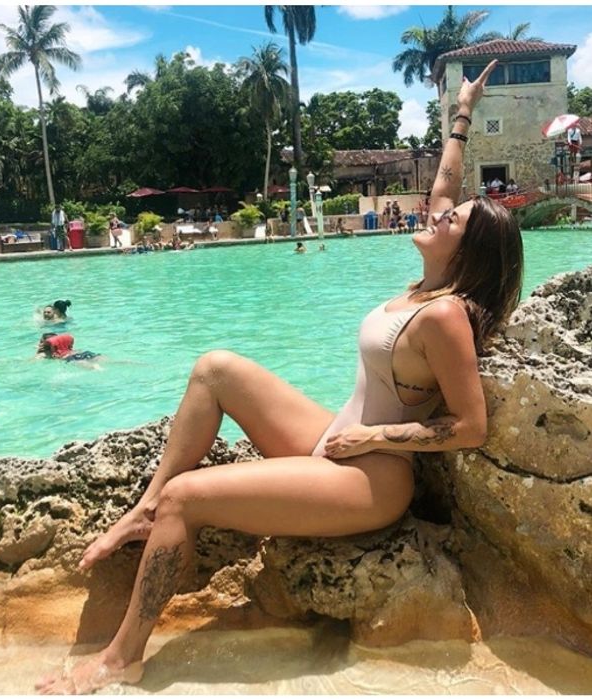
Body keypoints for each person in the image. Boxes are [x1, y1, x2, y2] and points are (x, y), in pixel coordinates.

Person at [37, 60, 523, 695]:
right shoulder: (427, 285)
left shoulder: (446, 315)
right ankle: (144, 509)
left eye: (451, 220)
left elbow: (469, 425)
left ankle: (121, 657)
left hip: (372, 478)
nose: (437, 213)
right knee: (215, 368)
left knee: (189, 497)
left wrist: (376, 439)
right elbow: (445, 183)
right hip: (336, 442)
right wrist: (462, 111)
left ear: (467, 251)